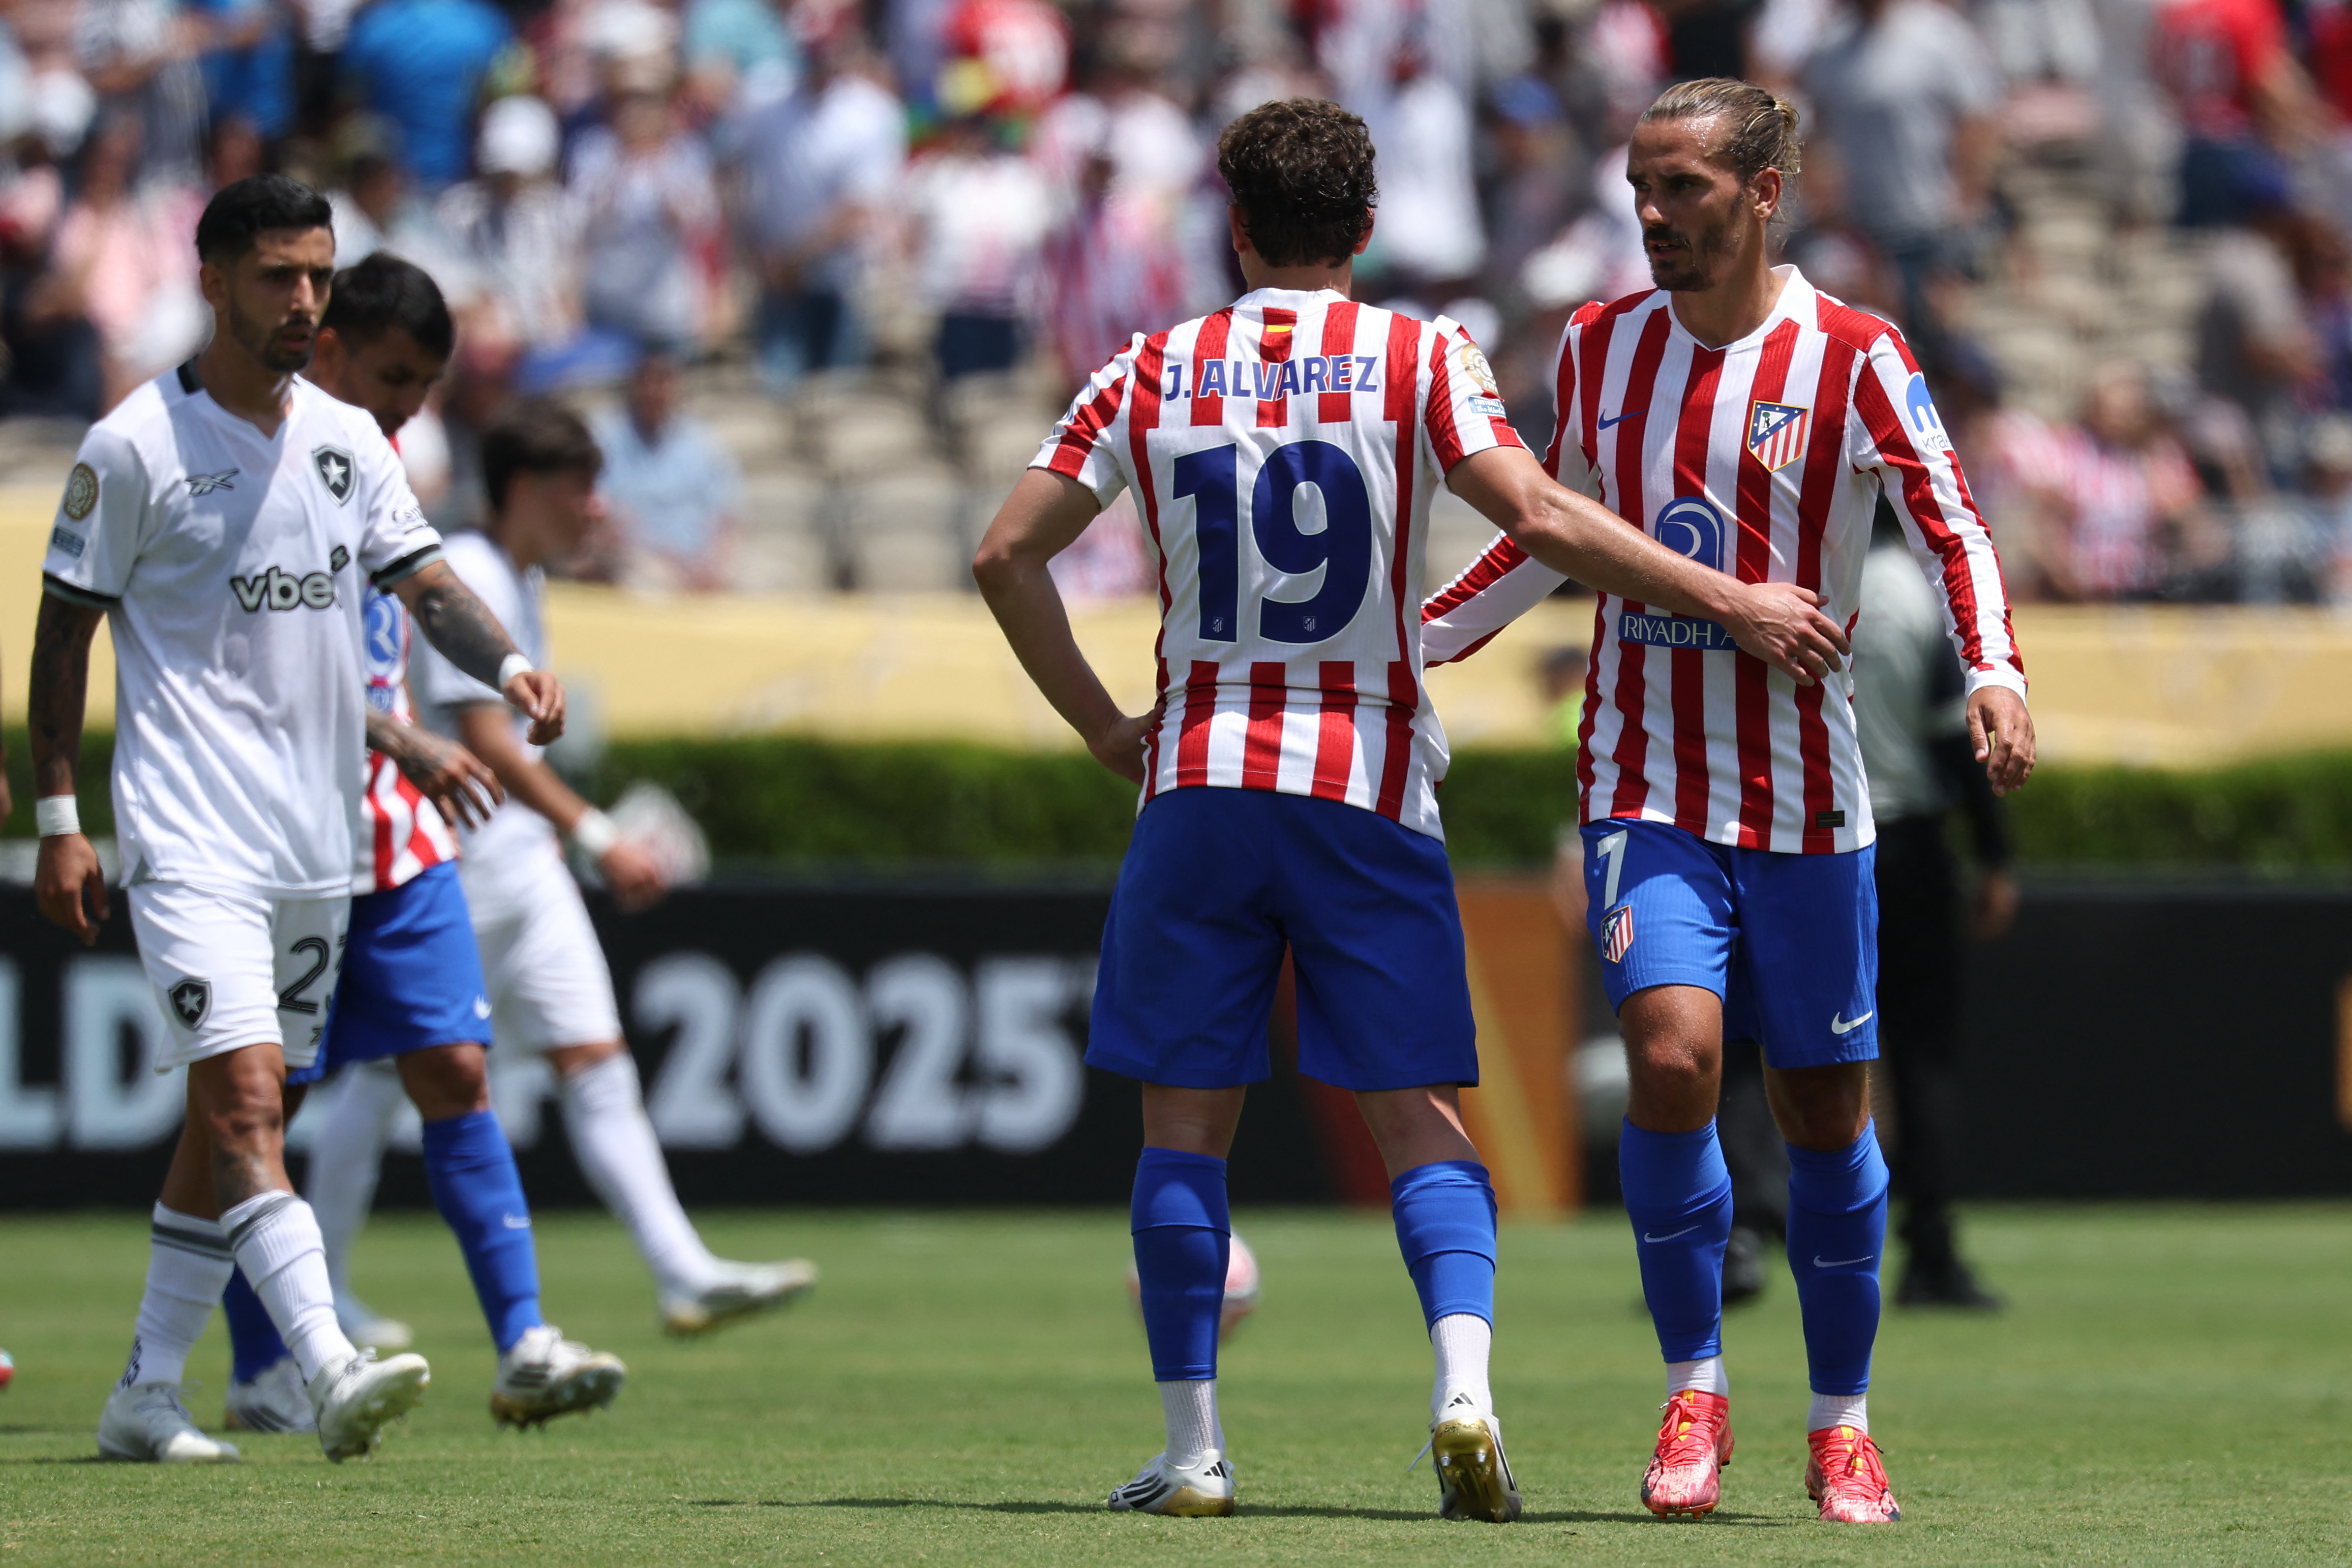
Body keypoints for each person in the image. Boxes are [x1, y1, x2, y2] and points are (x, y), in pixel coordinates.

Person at [973, 95, 1847, 1522]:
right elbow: (1544, 519)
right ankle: (1462, 1389)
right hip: (1365, 783)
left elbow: (1005, 553)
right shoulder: (1418, 352)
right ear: (1368, 230)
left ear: (1234, 222)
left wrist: (1099, 726)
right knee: (1423, 1119)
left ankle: (1193, 1449)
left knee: (1183, 1128)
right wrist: (1732, 596)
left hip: (1196, 781)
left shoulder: (1146, 369)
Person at [1420, 79, 2033, 1524]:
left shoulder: (1856, 352)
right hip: (1646, 777)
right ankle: (1694, 1383)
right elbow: (1541, 534)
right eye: (1641, 185)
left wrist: (1996, 671)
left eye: (1684, 187)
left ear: (1763, 194)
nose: (1652, 214)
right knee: (1676, 1054)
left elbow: (1952, 520)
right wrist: (1405, 643)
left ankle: (1842, 1418)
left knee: (1825, 1110)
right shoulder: (1597, 344)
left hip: (1814, 795)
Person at [31, 173, 564, 1464]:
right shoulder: (133, 445)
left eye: (317, 275)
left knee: (226, 1125)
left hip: (316, 849)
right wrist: (60, 810)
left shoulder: (346, 438)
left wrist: (502, 666)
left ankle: (143, 1393)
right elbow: (61, 633)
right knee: (250, 1109)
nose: (303, 300)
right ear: (211, 280)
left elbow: (424, 580)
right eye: (278, 275)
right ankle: (325, 1362)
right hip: (188, 839)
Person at [212, 251, 627, 1436]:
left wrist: (499, 669)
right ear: (328, 346)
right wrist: (407, 735)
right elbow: (258, 664)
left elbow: (425, 604)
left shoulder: (379, 464)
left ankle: (523, 1340)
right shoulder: (253, 468)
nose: (408, 404)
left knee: (455, 1068)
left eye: (427, 385)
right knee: (256, 1109)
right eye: (395, 375)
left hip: (389, 830)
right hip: (277, 829)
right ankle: (254, 1366)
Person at [400, 399, 817, 1335]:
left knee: (594, 1058)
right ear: (522, 488)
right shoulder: (471, 572)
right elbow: (484, 740)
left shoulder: (520, 576)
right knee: (387, 1074)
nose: (597, 506)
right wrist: (598, 835)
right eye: (578, 486)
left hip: (516, 861)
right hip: (460, 863)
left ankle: (681, 1268)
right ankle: (319, 1295)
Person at [1851, 504, 2014, 1309]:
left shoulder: (1784, 574)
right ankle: (1931, 1249)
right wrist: (1994, 856)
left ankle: (1744, 1235)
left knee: (1768, 1048)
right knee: (1921, 1056)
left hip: (1800, 836)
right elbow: (1957, 739)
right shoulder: (1913, 597)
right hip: (1906, 842)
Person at [592, 351, 742, 591]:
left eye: (663, 381)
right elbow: (600, 515)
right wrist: (662, 558)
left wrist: (712, 563)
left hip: (698, 563)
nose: (654, 391)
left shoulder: (703, 443)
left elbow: (727, 516)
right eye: (648, 381)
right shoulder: (604, 435)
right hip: (633, 559)